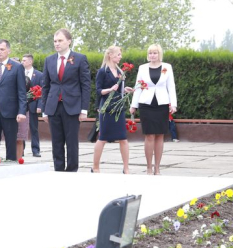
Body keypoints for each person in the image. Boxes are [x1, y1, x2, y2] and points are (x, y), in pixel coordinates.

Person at [41, 29, 91, 172]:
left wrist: (84, 109)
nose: (57, 43)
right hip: (53, 106)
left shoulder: (80, 58)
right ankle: (58, 170)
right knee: (56, 142)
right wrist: (44, 109)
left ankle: (72, 171)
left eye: (60, 40)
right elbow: (46, 86)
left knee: (71, 142)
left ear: (69, 41)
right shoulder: (49, 60)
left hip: (72, 107)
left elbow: (85, 85)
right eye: (55, 41)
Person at [130, 43, 177, 176]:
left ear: (159, 54)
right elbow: (138, 86)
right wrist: (133, 105)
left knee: (160, 135)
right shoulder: (142, 68)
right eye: (150, 53)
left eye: (155, 53)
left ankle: (157, 167)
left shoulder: (167, 67)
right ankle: (149, 167)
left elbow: (171, 86)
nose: (152, 55)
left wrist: (173, 104)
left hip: (162, 104)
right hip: (146, 104)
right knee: (149, 135)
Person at [91, 46, 134, 174]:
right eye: (118, 54)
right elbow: (98, 91)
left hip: (118, 108)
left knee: (123, 138)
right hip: (107, 108)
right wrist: (109, 89)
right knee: (103, 138)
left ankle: (126, 168)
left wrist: (125, 90)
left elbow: (119, 89)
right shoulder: (102, 71)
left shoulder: (120, 71)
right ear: (110, 55)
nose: (121, 57)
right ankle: (95, 167)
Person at [22, 54, 43, 157]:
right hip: (22, 105)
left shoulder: (39, 75)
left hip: (33, 105)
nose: (22, 62)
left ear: (30, 62)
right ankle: (20, 149)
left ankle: (35, 150)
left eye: (24, 60)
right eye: (22, 60)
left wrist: (40, 106)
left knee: (34, 128)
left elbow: (42, 91)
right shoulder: (19, 73)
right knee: (21, 128)